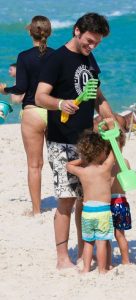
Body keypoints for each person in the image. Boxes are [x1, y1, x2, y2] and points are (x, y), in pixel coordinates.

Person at [35, 12, 115, 269]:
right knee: (66, 200)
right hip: (61, 141)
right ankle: (62, 259)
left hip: (86, 141)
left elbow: (97, 96)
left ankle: (83, 251)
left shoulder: (89, 59)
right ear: (77, 30)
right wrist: (60, 104)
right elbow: (39, 97)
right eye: (89, 41)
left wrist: (109, 117)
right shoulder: (56, 59)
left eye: (97, 44)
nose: (92, 47)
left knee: (86, 199)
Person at [0, 16, 54, 215]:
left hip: (33, 113)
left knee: (34, 165)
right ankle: (68, 203)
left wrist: (5, 90)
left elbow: (21, 87)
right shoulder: (57, 55)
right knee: (59, 161)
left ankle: (36, 210)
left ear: (30, 32)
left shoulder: (24, 56)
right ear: (48, 33)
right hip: (53, 110)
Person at [66, 126, 115, 274]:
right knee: (101, 242)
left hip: (87, 212)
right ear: (101, 152)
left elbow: (68, 165)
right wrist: (112, 136)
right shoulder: (105, 168)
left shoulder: (82, 171)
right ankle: (102, 269)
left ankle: (86, 269)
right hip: (103, 212)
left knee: (88, 242)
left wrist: (82, 159)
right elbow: (114, 152)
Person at [110, 129, 132, 264]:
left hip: (110, 202)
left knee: (106, 236)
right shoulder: (126, 162)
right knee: (120, 235)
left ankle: (107, 261)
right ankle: (126, 261)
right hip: (122, 202)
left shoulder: (107, 165)